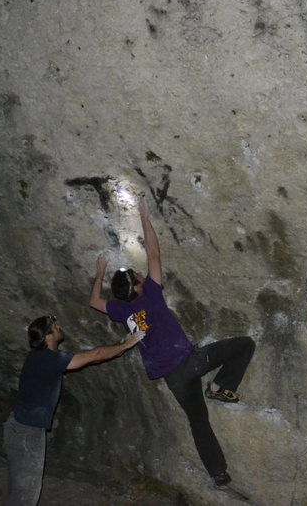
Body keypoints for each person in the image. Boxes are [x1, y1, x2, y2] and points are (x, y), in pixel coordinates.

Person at [89, 198, 256, 489]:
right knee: (245, 344)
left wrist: (100, 269)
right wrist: (143, 216)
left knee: (198, 421)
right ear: (137, 286)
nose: (141, 273)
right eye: (138, 275)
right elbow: (153, 253)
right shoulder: (150, 295)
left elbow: (93, 301)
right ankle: (220, 387)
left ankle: (218, 474)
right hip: (189, 363)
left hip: (172, 378)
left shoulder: (122, 310)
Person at [4, 314, 144, 506]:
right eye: (54, 325)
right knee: (26, 496)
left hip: (17, 428)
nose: (59, 326)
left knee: (19, 491)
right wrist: (125, 345)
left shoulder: (40, 357)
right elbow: (94, 355)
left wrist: (118, 348)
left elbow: (91, 359)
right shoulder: (48, 359)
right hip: (27, 434)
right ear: (48, 336)